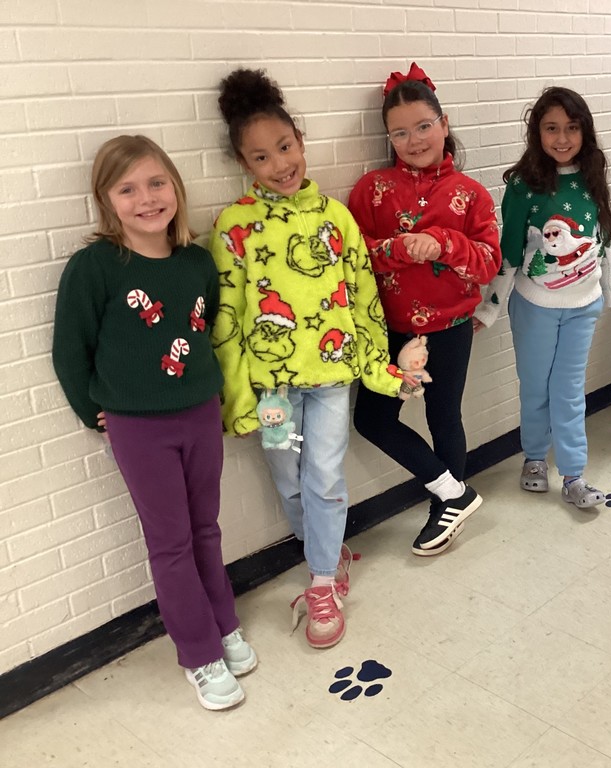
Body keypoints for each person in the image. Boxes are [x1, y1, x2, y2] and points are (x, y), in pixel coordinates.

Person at [52, 136, 256, 711]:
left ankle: (223, 624)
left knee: (206, 529)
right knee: (170, 542)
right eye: (128, 188)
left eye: (156, 182)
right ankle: (198, 653)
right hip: (137, 426)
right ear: (106, 200)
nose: (146, 198)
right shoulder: (95, 266)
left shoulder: (196, 260)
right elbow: (71, 349)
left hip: (199, 414)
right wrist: (89, 410)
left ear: (176, 187)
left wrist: (213, 399)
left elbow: (204, 329)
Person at [210, 69, 405, 650]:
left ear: (301, 138)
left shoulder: (335, 218)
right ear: (244, 163)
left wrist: (381, 368)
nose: (279, 164)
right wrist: (239, 398)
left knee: (322, 478)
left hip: (330, 377)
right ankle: (331, 550)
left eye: (286, 147)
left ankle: (322, 581)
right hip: (271, 392)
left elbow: (364, 299)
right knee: (290, 485)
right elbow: (227, 322)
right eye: (262, 156)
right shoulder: (233, 227)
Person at [348, 63, 501, 554]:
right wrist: (395, 249)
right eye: (400, 132)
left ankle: (446, 508)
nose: (413, 140)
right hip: (387, 331)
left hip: (450, 329)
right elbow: (352, 258)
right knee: (372, 419)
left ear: (444, 123)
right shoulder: (371, 190)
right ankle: (455, 491)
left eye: (423, 126)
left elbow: (488, 264)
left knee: (443, 416)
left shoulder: (471, 196)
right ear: (388, 137)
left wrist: (442, 244)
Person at [473, 86, 611, 507]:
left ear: (585, 131)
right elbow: (509, 255)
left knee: (568, 390)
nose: (562, 138)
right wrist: (488, 309)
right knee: (535, 387)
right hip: (534, 308)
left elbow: (603, 243)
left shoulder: (593, 175)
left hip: (582, 308)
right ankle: (534, 459)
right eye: (552, 128)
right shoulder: (524, 186)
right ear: (536, 133)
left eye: (572, 128)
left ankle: (575, 475)